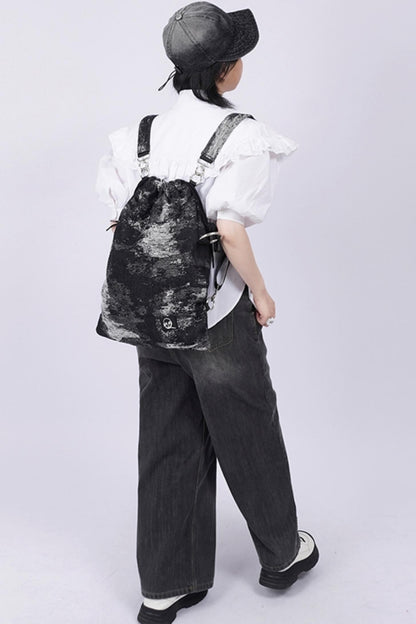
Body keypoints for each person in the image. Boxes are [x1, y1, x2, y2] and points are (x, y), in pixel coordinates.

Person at [95, 2, 319, 622]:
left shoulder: (136, 136)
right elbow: (231, 230)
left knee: (167, 438)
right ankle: (281, 555)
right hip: (216, 313)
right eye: (237, 55)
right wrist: (262, 295)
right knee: (248, 431)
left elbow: (119, 220)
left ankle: (165, 585)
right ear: (225, 69)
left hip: (150, 314)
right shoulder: (239, 134)